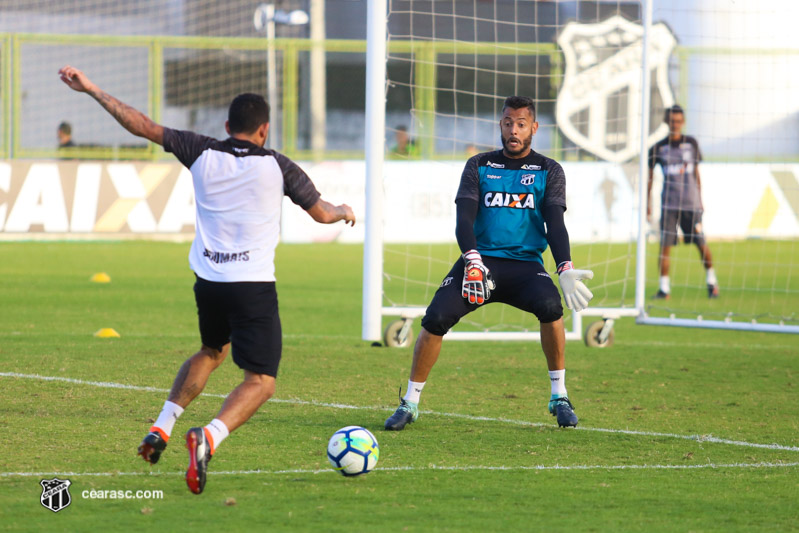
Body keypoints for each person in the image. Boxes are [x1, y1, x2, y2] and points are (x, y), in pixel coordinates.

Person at [58, 65, 356, 495]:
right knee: (261, 381)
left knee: (211, 351)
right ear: (264, 130)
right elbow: (322, 213)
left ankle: (161, 428)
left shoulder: (199, 149)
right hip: (251, 285)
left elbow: (141, 125)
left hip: (209, 281)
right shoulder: (279, 166)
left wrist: (92, 90)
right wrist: (344, 209)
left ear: (226, 126)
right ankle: (209, 437)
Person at [384, 95, 594, 431]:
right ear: (501, 125)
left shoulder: (549, 170)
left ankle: (560, 396)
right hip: (478, 264)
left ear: (534, 128)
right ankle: (410, 402)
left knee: (551, 307)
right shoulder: (479, 165)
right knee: (435, 318)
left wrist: (564, 267)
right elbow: (463, 220)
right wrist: (472, 260)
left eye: (521, 124)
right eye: (508, 123)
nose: (514, 130)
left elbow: (555, 223)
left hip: (525, 265)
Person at [647, 104, 718, 299]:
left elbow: (696, 173)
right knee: (665, 247)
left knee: (701, 243)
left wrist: (700, 200)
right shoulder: (657, 147)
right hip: (669, 205)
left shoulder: (692, 143)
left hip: (691, 205)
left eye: (678, 121)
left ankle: (712, 282)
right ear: (666, 122)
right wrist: (648, 204)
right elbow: (650, 178)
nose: (675, 124)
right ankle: (664, 289)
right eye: (672, 121)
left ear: (683, 122)